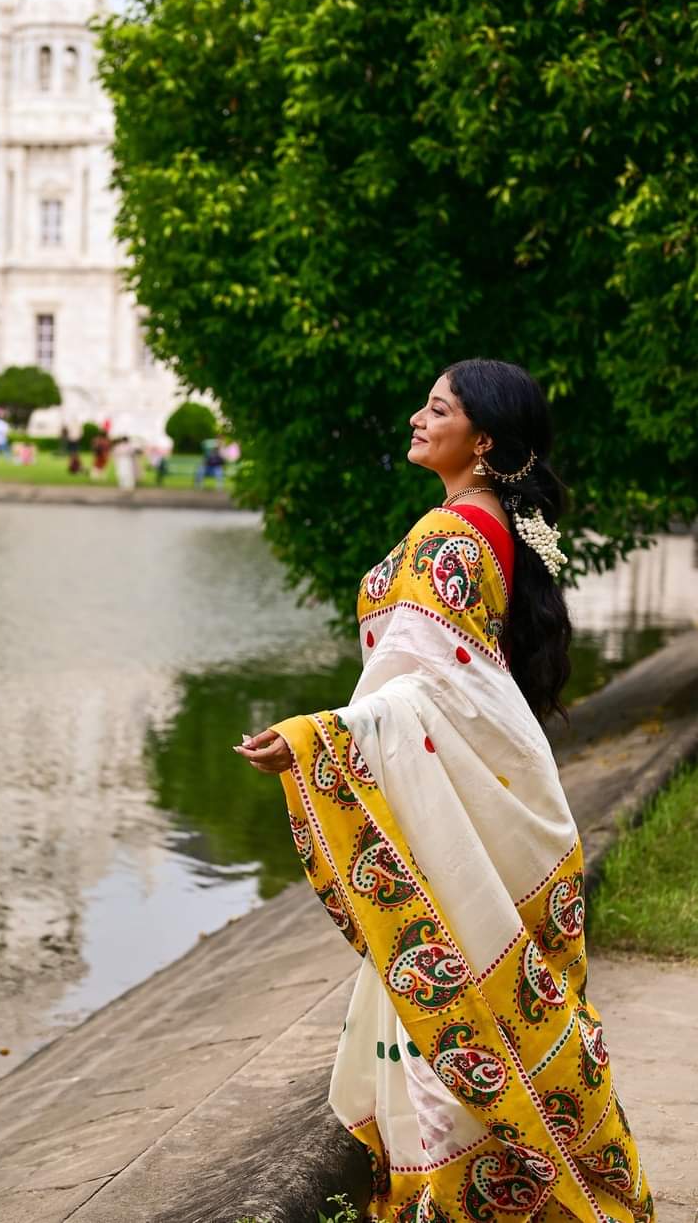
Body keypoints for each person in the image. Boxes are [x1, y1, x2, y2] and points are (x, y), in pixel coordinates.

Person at [234, 359, 651, 1221]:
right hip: (485, 801)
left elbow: (433, 693)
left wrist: (321, 738)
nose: (418, 419)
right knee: (500, 1020)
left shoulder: (453, 535)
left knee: (457, 1027)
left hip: (463, 808)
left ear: (484, 438)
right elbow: (449, 687)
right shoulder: (487, 524)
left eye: (438, 408)